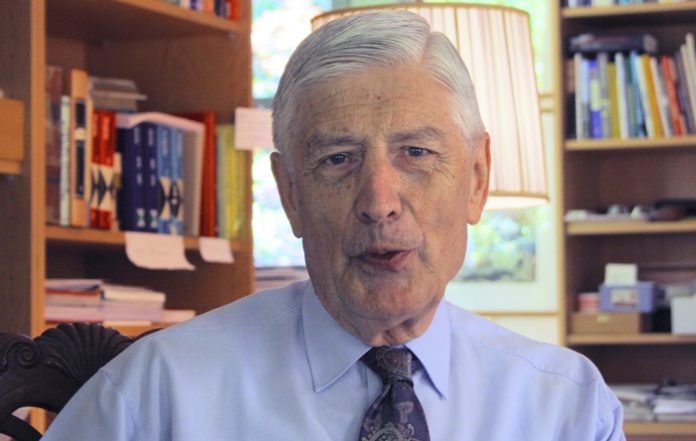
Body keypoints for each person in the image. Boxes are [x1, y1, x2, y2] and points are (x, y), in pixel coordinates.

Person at [43, 10, 625, 441]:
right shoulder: (157, 392)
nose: (378, 202)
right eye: (338, 159)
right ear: (290, 194)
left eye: (416, 153)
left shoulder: (567, 406)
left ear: (477, 178)